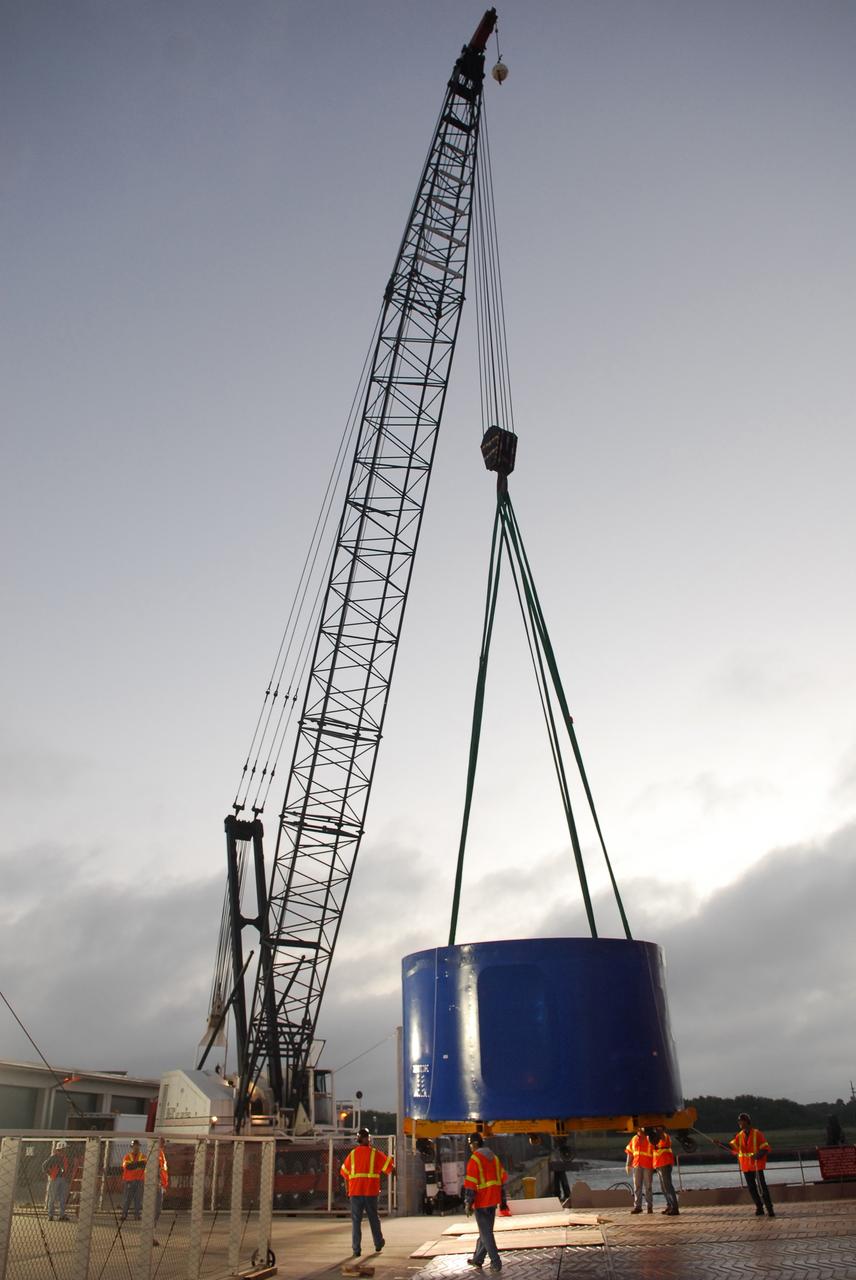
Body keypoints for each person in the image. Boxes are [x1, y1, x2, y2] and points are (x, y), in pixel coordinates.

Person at [340, 1127, 394, 1258]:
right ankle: (378, 1243)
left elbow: (344, 1173)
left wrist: (347, 1190)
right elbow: (389, 1168)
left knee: (356, 1221)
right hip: (370, 1192)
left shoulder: (352, 1154)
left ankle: (356, 1249)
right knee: (373, 1218)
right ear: (368, 1139)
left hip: (355, 1192)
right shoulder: (375, 1153)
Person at [463, 1131, 508, 1273]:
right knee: (485, 1231)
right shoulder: (494, 1158)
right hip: (493, 1200)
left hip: (482, 1201)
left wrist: (468, 1203)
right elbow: (502, 1179)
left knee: (486, 1234)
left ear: (475, 1144)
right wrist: (503, 1201)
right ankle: (478, 1259)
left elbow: (471, 1183)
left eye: (470, 1144)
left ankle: (496, 1261)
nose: (470, 1147)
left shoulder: (475, 1159)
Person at [727, 1112, 774, 1217]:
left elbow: (765, 1148)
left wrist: (757, 1155)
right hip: (746, 1166)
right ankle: (759, 1208)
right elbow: (732, 1147)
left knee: (762, 1188)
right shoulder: (739, 1135)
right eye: (739, 1121)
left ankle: (770, 1209)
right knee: (752, 1189)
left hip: (756, 1166)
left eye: (741, 1121)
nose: (739, 1123)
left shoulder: (757, 1133)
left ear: (746, 1121)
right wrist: (719, 1144)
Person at [625, 1126, 655, 1214]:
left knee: (648, 1187)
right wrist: (628, 1164)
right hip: (637, 1165)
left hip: (648, 1165)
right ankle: (638, 1207)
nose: (639, 1130)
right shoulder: (634, 1138)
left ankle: (649, 1207)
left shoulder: (650, 1138)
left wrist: (655, 1166)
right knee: (637, 1186)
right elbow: (630, 1152)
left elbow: (655, 1152)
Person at [653, 1127, 679, 1215]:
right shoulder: (655, 1137)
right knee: (663, 1187)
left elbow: (662, 1137)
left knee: (667, 1186)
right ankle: (670, 1205)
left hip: (664, 1162)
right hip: (659, 1163)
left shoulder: (663, 1135)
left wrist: (657, 1130)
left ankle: (675, 1208)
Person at [42, 1141, 70, 1221]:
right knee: (52, 1197)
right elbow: (44, 1166)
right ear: (61, 1149)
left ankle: (62, 1215)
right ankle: (50, 1215)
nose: (66, 1150)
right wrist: (51, 1173)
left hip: (63, 1178)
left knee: (62, 1197)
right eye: (65, 1149)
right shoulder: (54, 1157)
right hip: (55, 1179)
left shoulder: (64, 1157)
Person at [120, 1139, 147, 1221]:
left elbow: (143, 1165)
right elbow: (128, 1167)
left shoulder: (143, 1156)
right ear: (132, 1147)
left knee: (138, 1199)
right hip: (129, 1180)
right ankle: (124, 1215)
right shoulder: (127, 1156)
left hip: (139, 1180)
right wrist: (138, 1165)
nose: (136, 1147)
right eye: (134, 1146)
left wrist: (133, 1165)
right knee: (127, 1199)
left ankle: (136, 1215)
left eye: (137, 1146)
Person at [153, 1139, 169, 1246]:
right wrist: (158, 1183)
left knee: (156, 1211)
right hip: (157, 1186)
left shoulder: (161, 1153)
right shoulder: (157, 1153)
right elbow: (157, 1169)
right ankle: (150, 1235)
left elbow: (162, 1170)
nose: (164, 1144)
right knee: (155, 1211)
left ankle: (150, 1234)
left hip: (160, 1185)